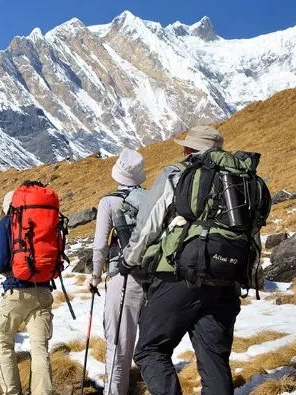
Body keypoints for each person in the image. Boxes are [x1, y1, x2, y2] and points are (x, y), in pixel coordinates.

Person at [121, 126, 257, 395]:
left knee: (151, 350)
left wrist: (129, 260)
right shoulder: (241, 179)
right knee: (214, 359)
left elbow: (149, 223)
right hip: (227, 278)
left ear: (189, 150)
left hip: (179, 275)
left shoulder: (178, 172)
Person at [0, 189, 54, 395]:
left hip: (16, 292)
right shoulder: (43, 221)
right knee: (40, 350)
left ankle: (12, 392)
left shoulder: (6, 224)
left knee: (4, 344)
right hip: (44, 292)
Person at [88, 149, 147, 395]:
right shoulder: (151, 197)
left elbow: (101, 243)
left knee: (118, 344)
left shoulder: (109, 202)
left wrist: (95, 275)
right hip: (154, 278)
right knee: (150, 344)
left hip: (123, 278)